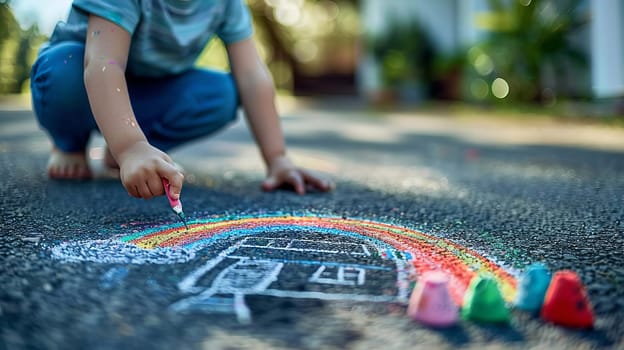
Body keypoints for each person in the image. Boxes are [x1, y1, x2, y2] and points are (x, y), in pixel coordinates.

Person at [30, 0, 333, 202]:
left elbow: (252, 75)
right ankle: (70, 143)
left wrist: (277, 157)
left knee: (222, 93)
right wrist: (130, 146)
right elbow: (103, 63)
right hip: (84, 80)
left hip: (149, 93)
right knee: (62, 67)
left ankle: (128, 151)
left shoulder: (225, 4)